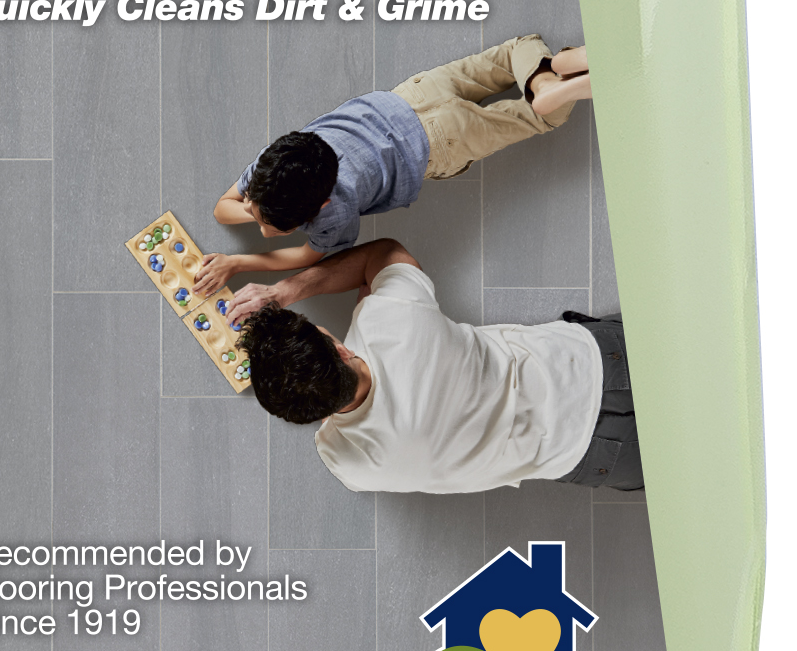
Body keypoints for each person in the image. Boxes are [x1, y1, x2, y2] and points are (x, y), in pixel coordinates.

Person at [193, 37, 591, 302]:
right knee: (514, 50)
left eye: (273, 228)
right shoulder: (275, 161)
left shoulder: (335, 214)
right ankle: (550, 71)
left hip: (441, 143)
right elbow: (223, 209)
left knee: (544, 117)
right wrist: (258, 211)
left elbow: (304, 257)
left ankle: (548, 98)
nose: (262, 231)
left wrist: (240, 261)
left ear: (321, 206)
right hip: (412, 96)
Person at [240, 235, 643, 495]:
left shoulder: (346, 462)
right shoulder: (390, 320)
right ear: (342, 351)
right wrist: (284, 291)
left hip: (598, 456)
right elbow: (385, 254)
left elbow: (341, 424)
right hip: (594, 360)